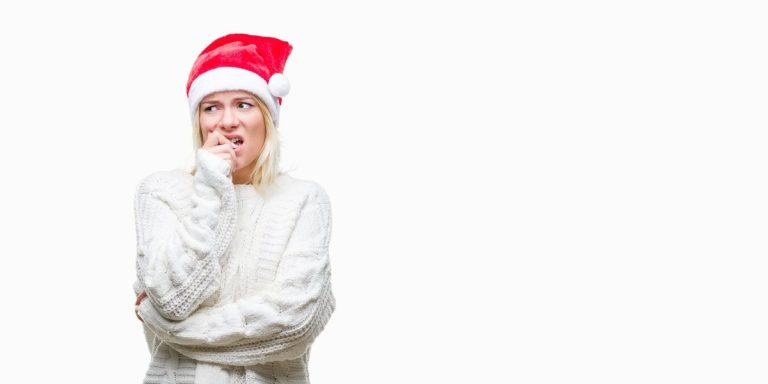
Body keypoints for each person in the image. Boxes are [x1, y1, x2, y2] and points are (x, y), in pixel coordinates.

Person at [132, 33, 336, 384]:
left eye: (244, 104)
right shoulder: (160, 192)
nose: (227, 122)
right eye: (212, 107)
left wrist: (170, 328)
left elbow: (293, 324)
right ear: (199, 121)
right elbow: (171, 299)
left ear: (266, 118)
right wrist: (211, 189)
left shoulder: (304, 200)